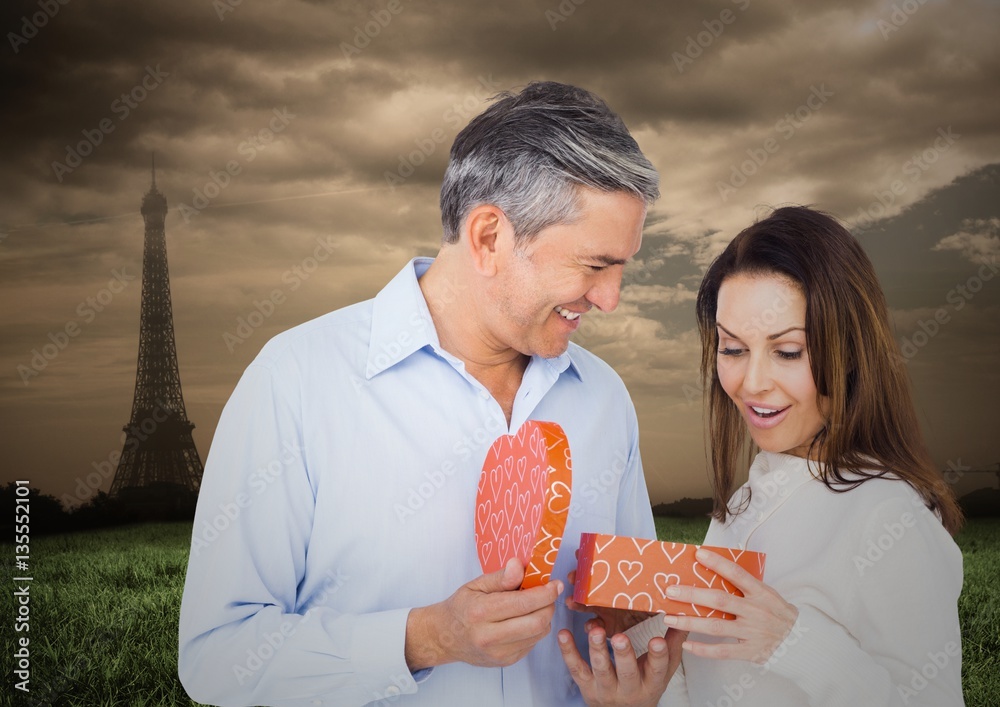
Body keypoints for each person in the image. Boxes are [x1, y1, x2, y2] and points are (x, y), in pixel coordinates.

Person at [178, 81, 681, 706]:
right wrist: (424, 639)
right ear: (490, 237)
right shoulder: (297, 381)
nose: (611, 299)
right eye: (594, 265)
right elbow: (214, 656)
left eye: (624, 267)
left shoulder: (604, 397)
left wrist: (650, 657)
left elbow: (634, 621)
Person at [569, 205, 964, 706]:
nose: (752, 383)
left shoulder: (891, 518)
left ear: (849, 350)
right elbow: (713, 686)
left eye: (789, 351)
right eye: (733, 349)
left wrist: (791, 642)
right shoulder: (746, 505)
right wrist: (645, 643)